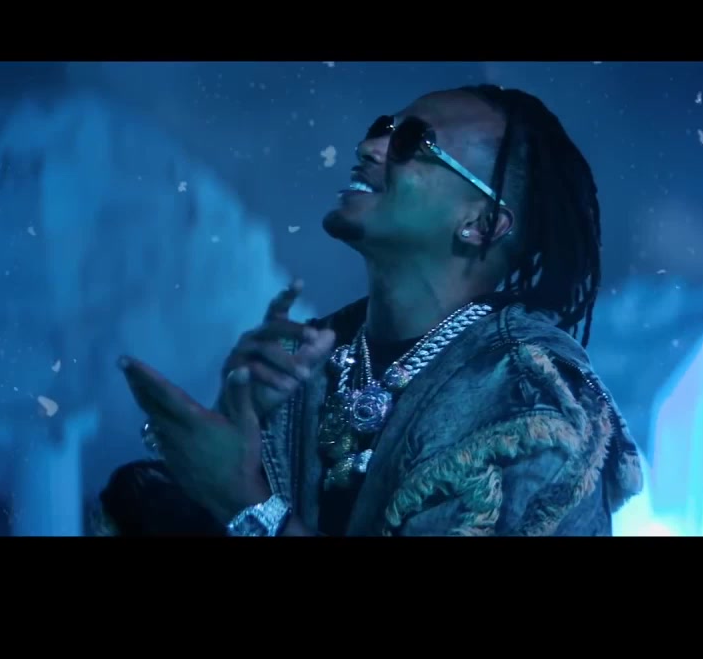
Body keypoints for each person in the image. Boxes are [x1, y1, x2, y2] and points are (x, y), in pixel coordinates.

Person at [101, 84, 642, 537]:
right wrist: (226, 430)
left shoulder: (530, 409)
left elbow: (240, 502)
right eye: (383, 127)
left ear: (480, 224)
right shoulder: (304, 361)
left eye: (411, 141)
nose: (368, 146)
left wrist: (246, 505)